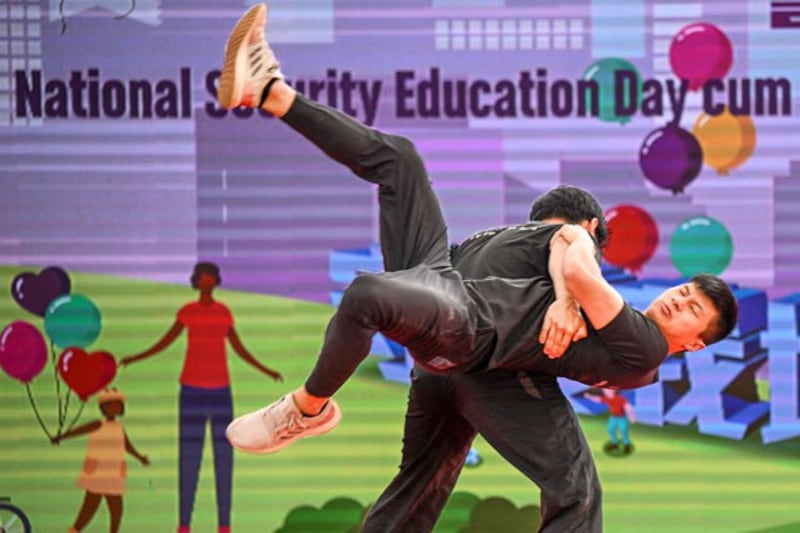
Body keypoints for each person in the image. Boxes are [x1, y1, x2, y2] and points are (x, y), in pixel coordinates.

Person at [218, 4, 738, 458]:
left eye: (694, 307)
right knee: (401, 160)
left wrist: (569, 292)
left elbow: (575, 252)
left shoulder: (623, 324)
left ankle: (307, 410)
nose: (679, 300)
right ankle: (269, 89)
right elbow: (567, 247)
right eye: (685, 291)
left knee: (366, 294)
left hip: (463, 329)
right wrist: (565, 294)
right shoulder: (580, 281)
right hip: (441, 284)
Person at [363, 186, 608, 532]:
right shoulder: (576, 239)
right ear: (591, 224)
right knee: (575, 489)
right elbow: (573, 263)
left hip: (433, 372)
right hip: (495, 367)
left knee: (416, 488)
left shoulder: (482, 241)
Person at [119, 262, 283, 533]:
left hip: (220, 392)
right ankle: (184, 524)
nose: (207, 279)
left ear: (214, 280)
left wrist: (265, 370)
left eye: (210, 275)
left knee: (224, 458)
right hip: (191, 391)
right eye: (203, 275)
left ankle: (224, 525)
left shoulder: (223, 313)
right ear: (198, 280)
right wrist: (136, 357)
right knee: (189, 457)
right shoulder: (188, 312)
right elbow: (166, 341)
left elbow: (238, 347)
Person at [51, 388, 149, 533]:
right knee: (90, 506)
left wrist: (140, 457)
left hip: (114, 472)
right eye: (110, 405)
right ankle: (75, 529)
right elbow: (78, 431)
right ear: (103, 408)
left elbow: (126, 445)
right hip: (97, 472)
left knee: (116, 508)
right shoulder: (98, 424)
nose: (114, 408)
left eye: (117, 405)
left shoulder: (119, 427)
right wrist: (61, 437)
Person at [585, 388, 636, 454]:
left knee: (623, 431)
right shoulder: (606, 398)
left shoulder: (620, 399)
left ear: (613, 391)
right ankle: (615, 444)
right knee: (611, 430)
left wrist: (632, 417)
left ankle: (627, 445)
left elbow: (628, 407)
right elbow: (597, 399)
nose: (606, 392)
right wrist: (589, 397)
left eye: (608, 391)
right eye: (605, 391)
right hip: (613, 417)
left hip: (622, 418)